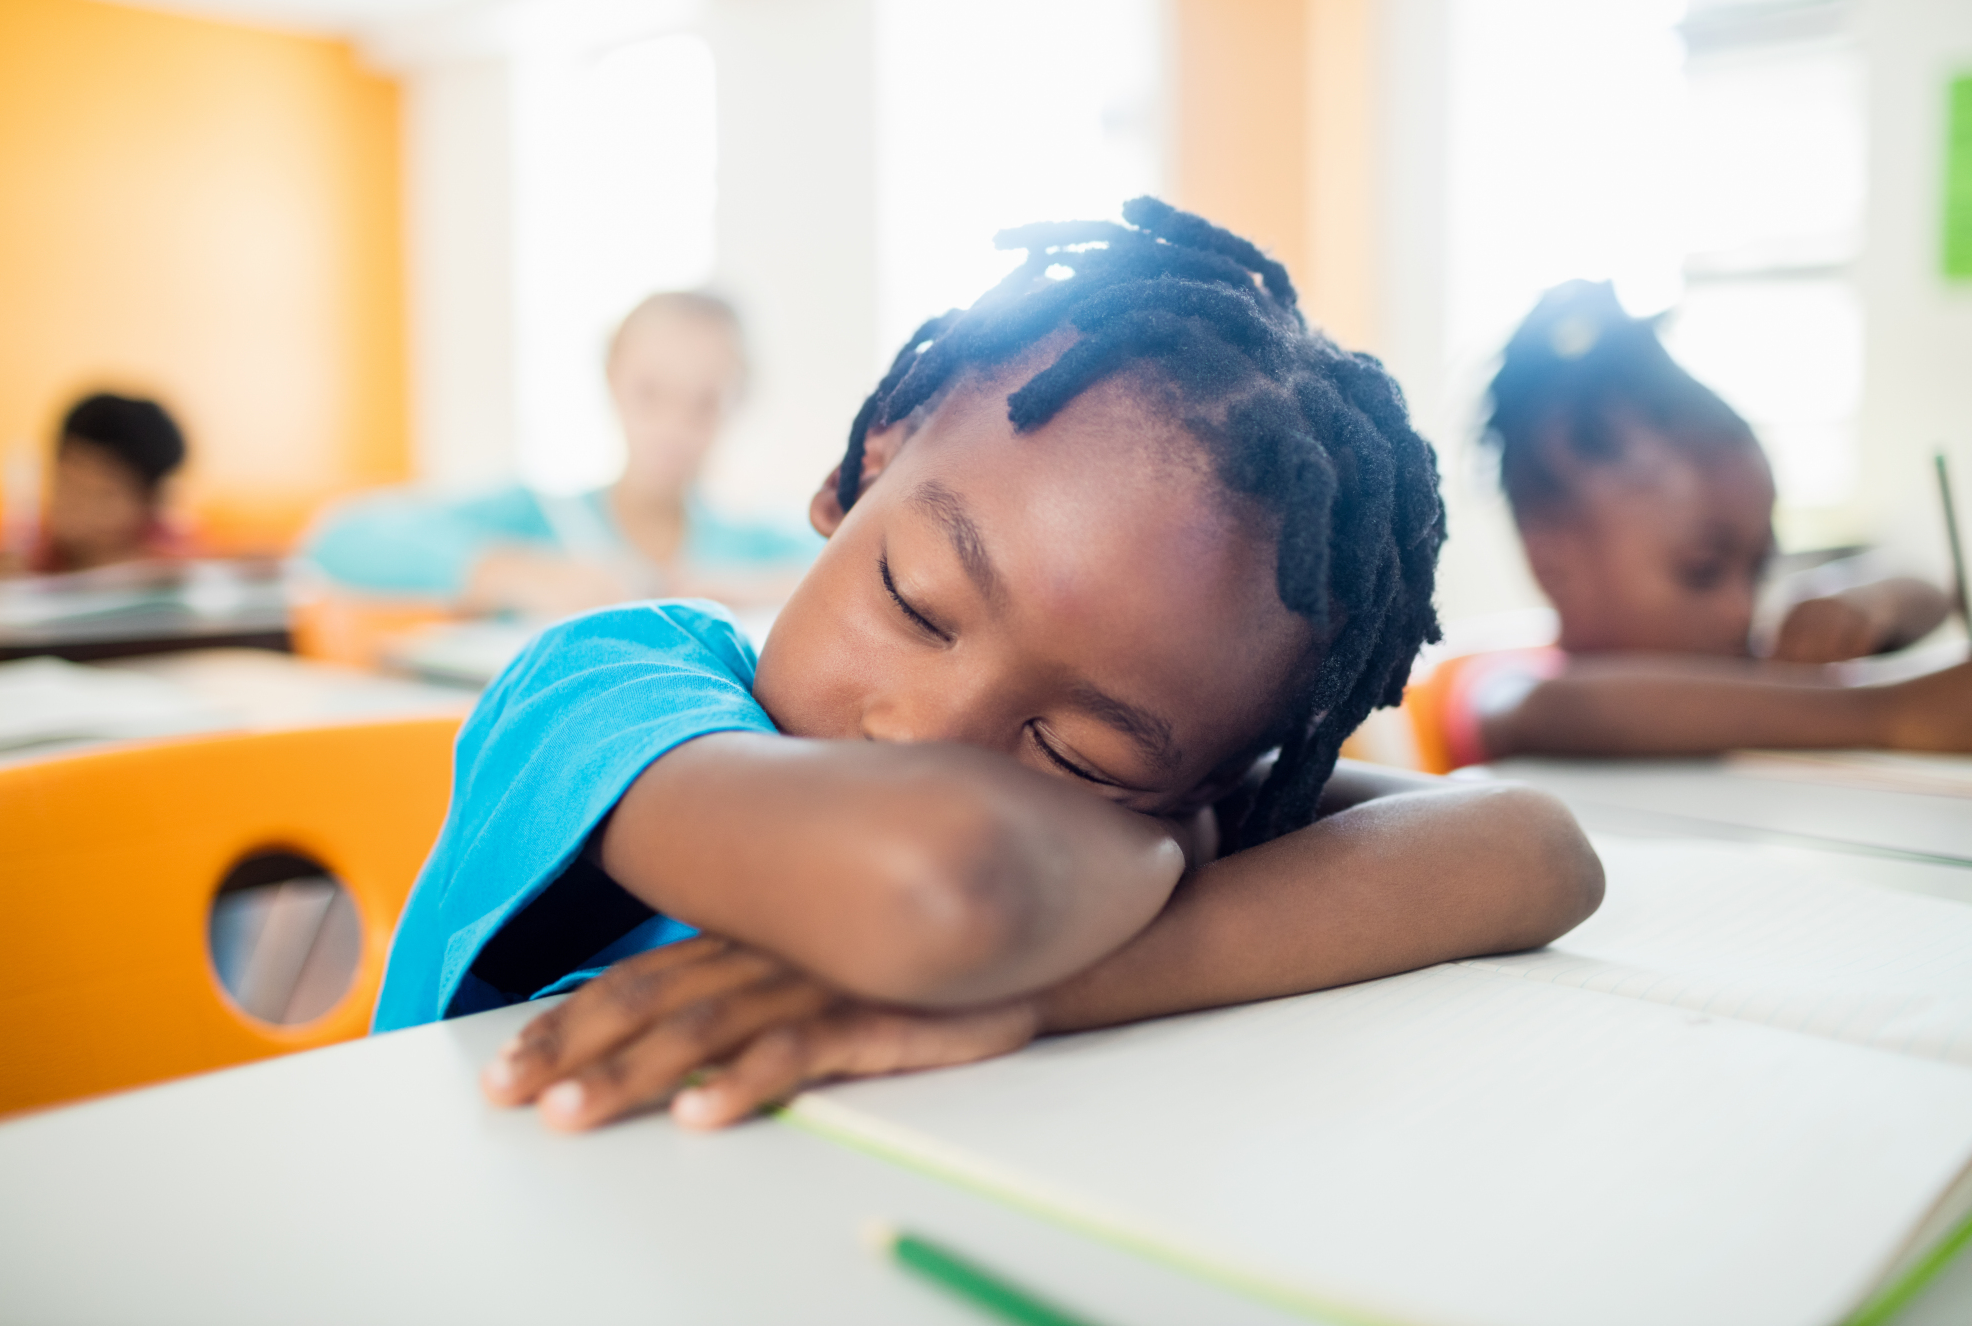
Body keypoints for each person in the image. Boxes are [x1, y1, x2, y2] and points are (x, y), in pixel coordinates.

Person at [372, 199, 1604, 1133]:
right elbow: (939, 878)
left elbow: (1534, 851)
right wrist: (1163, 843)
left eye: (1081, 752)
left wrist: (1039, 989)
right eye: (915, 603)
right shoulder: (606, 685)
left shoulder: (1165, 786)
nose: (931, 736)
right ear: (863, 461)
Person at [1404, 281, 1970, 770]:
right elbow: (1577, 711)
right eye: (1702, 571)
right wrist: (1891, 710)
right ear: (1552, 558)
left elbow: (1926, 591)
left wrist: (1866, 605)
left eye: (1758, 568)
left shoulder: (1731, 658)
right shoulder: (1509, 689)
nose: (1741, 608)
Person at [303, 291, 817, 618]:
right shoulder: (536, 518)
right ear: (612, 380)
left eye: (703, 404)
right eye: (650, 394)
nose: (673, 428)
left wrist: (744, 590)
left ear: (739, 400)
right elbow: (338, 537)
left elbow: (843, 564)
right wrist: (514, 573)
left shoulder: (749, 545)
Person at [36, 393, 189, 572]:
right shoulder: (30, 565)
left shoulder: (171, 575)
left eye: (102, 496)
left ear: (149, 501)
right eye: (65, 484)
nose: (78, 508)